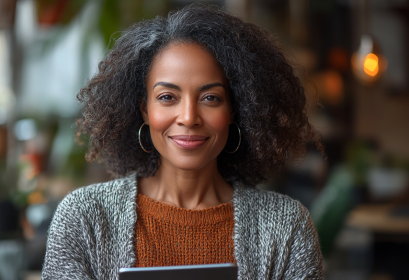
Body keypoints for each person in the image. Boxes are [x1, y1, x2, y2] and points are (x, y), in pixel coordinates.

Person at [42, 3, 324, 280]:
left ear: (234, 111)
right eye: (167, 97)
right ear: (145, 110)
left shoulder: (286, 228)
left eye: (210, 98)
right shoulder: (84, 219)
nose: (189, 117)